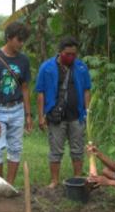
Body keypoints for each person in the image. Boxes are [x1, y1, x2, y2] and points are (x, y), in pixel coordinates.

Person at [36, 36, 91, 188]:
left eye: (74, 54)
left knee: (77, 149)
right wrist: (41, 116)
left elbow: (87, 90)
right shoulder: (46, 68)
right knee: (56, 149)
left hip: (77, 115)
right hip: (55, 116)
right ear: (60, 52)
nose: (71, 57)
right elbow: (40, 93)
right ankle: (54, 180)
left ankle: (78, 178)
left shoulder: (81, 67)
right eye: (68, 54)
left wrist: (87, 111)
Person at [0, 21, 32, 185]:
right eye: (19, 39)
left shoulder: (24, 60)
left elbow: (25, 88)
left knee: (15, 148)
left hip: (17, 109)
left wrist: (28, 115)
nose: (21, 43)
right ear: (9, 38)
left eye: (23, 40)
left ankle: (9, 185)